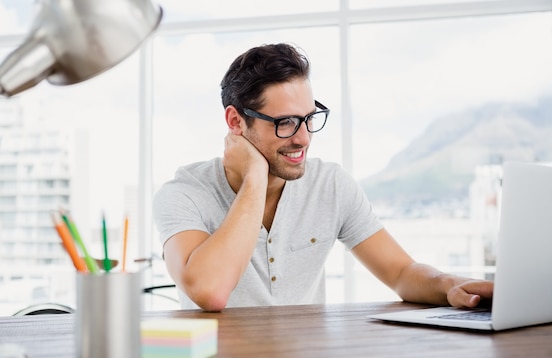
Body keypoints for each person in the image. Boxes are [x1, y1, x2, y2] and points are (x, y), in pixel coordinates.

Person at [153, 43, 494, 311]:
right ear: (236, 122)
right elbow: (210, 292)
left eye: (309, 118)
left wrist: (448, 283)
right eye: (285, 122)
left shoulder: (330, 184)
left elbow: (401, 273)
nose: (302, 138)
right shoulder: (183, 194)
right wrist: (255, 178)